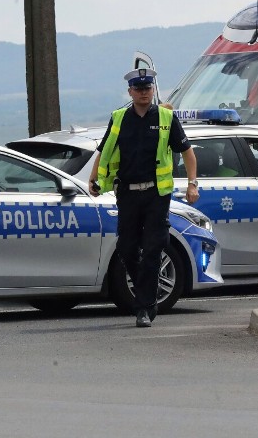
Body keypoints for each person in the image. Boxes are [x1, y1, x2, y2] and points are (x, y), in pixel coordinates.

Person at [88, 68, 199, 328]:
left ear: (153, 90)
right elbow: (103, 151)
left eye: (147, 88)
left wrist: (192, 184)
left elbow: (188, 152)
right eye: (138, 89)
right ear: (130, 92)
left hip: (156, 194)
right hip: (127, 193)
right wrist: (93, 181)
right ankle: (147, 292)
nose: (143, 93)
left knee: (153, 248)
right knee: (126, 247)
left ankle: (145, 308)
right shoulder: (118, 118)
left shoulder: (165, 117)